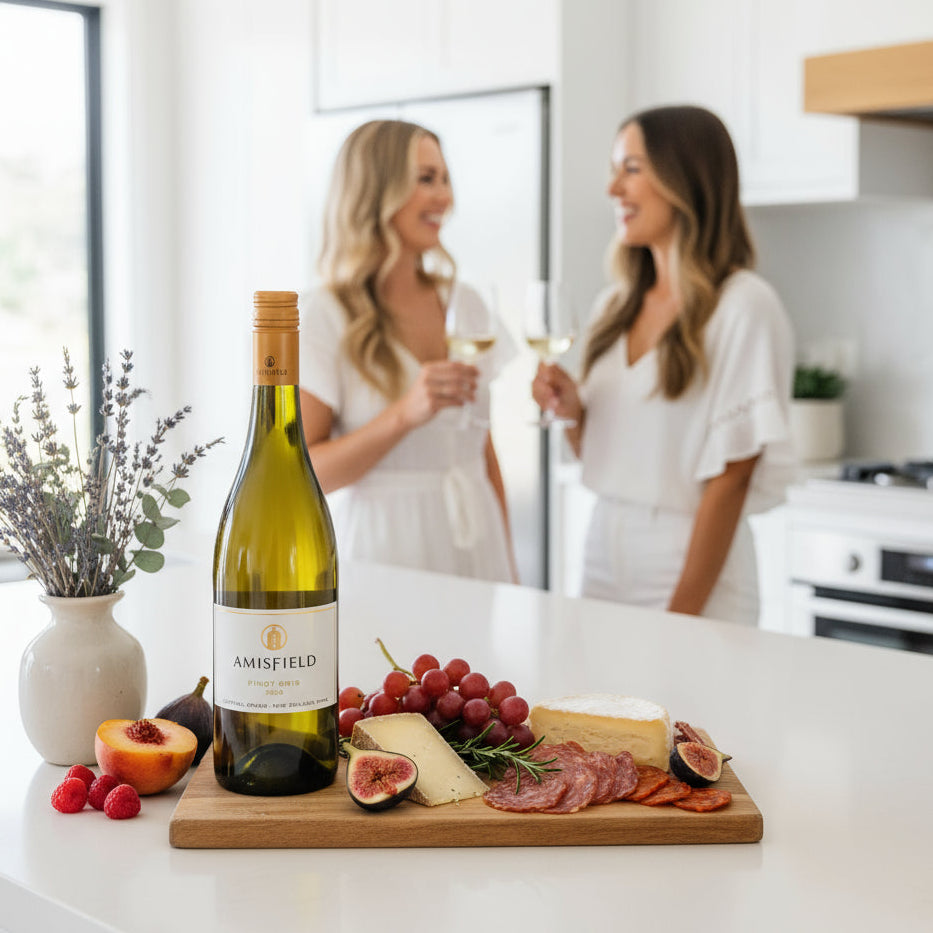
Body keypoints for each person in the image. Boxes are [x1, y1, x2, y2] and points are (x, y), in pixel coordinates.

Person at [533, 105, 795, 624]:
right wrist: (573, 413)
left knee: (682, 700)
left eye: (631, 169)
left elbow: (732, 480)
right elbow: (606, 453)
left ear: (685, 179)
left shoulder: (742, 305)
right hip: (603, 550)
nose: (613, 189)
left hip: (689, 561)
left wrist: (681, 617)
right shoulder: (615, 306)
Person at [299, 119, 517, 582]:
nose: (445, 197)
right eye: (425, 179)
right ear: (375, 190)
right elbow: (304, 475)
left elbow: (483, 450)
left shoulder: (467, 304)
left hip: (476, 540)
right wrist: (404, 414)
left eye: (444, 178)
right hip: (383, 551)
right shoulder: (324, 315)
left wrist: (511, 569)